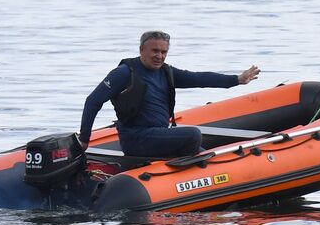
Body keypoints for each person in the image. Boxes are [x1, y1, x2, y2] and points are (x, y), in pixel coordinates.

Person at [78, 30, 261, 160]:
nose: (159, 56)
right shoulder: (125, 73)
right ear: (142, 50)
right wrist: (84, 139)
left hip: (158, 135)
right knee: (193, 134)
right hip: (136, 138)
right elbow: (93, 101)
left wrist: (237, 79)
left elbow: (199, 78)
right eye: (154, 51)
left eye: (163, 52)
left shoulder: (166, 72)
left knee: (206, 154)